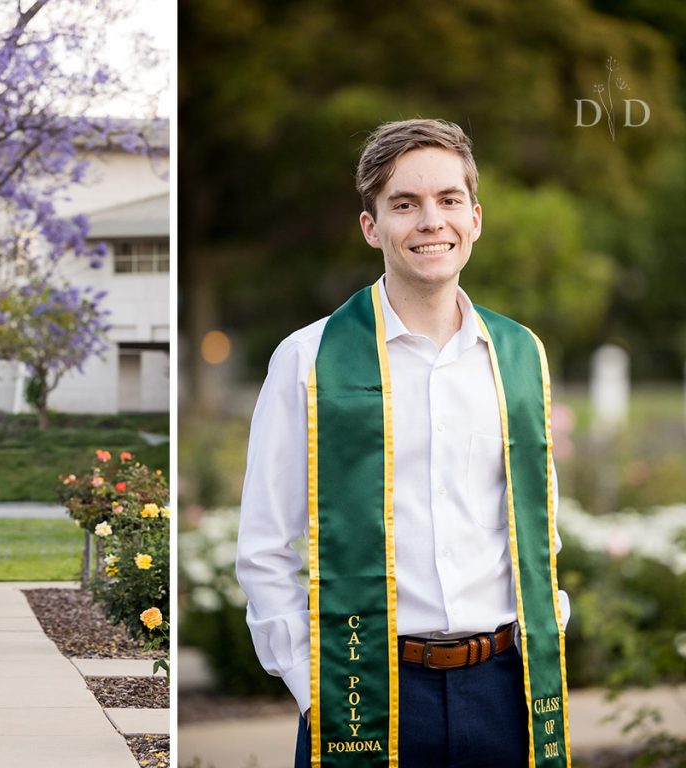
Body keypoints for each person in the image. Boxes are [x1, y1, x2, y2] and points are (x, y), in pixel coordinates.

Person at [236, 119, 572, 767]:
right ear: (372, 228)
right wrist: (315, 688)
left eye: (448, 201)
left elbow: (539, 524)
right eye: (405, 204)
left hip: (506, 689)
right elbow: (265, 546)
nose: (431, 221)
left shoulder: (519, 354)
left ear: (475, 218)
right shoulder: (308, 360)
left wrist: (549, 628)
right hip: (366, 690)